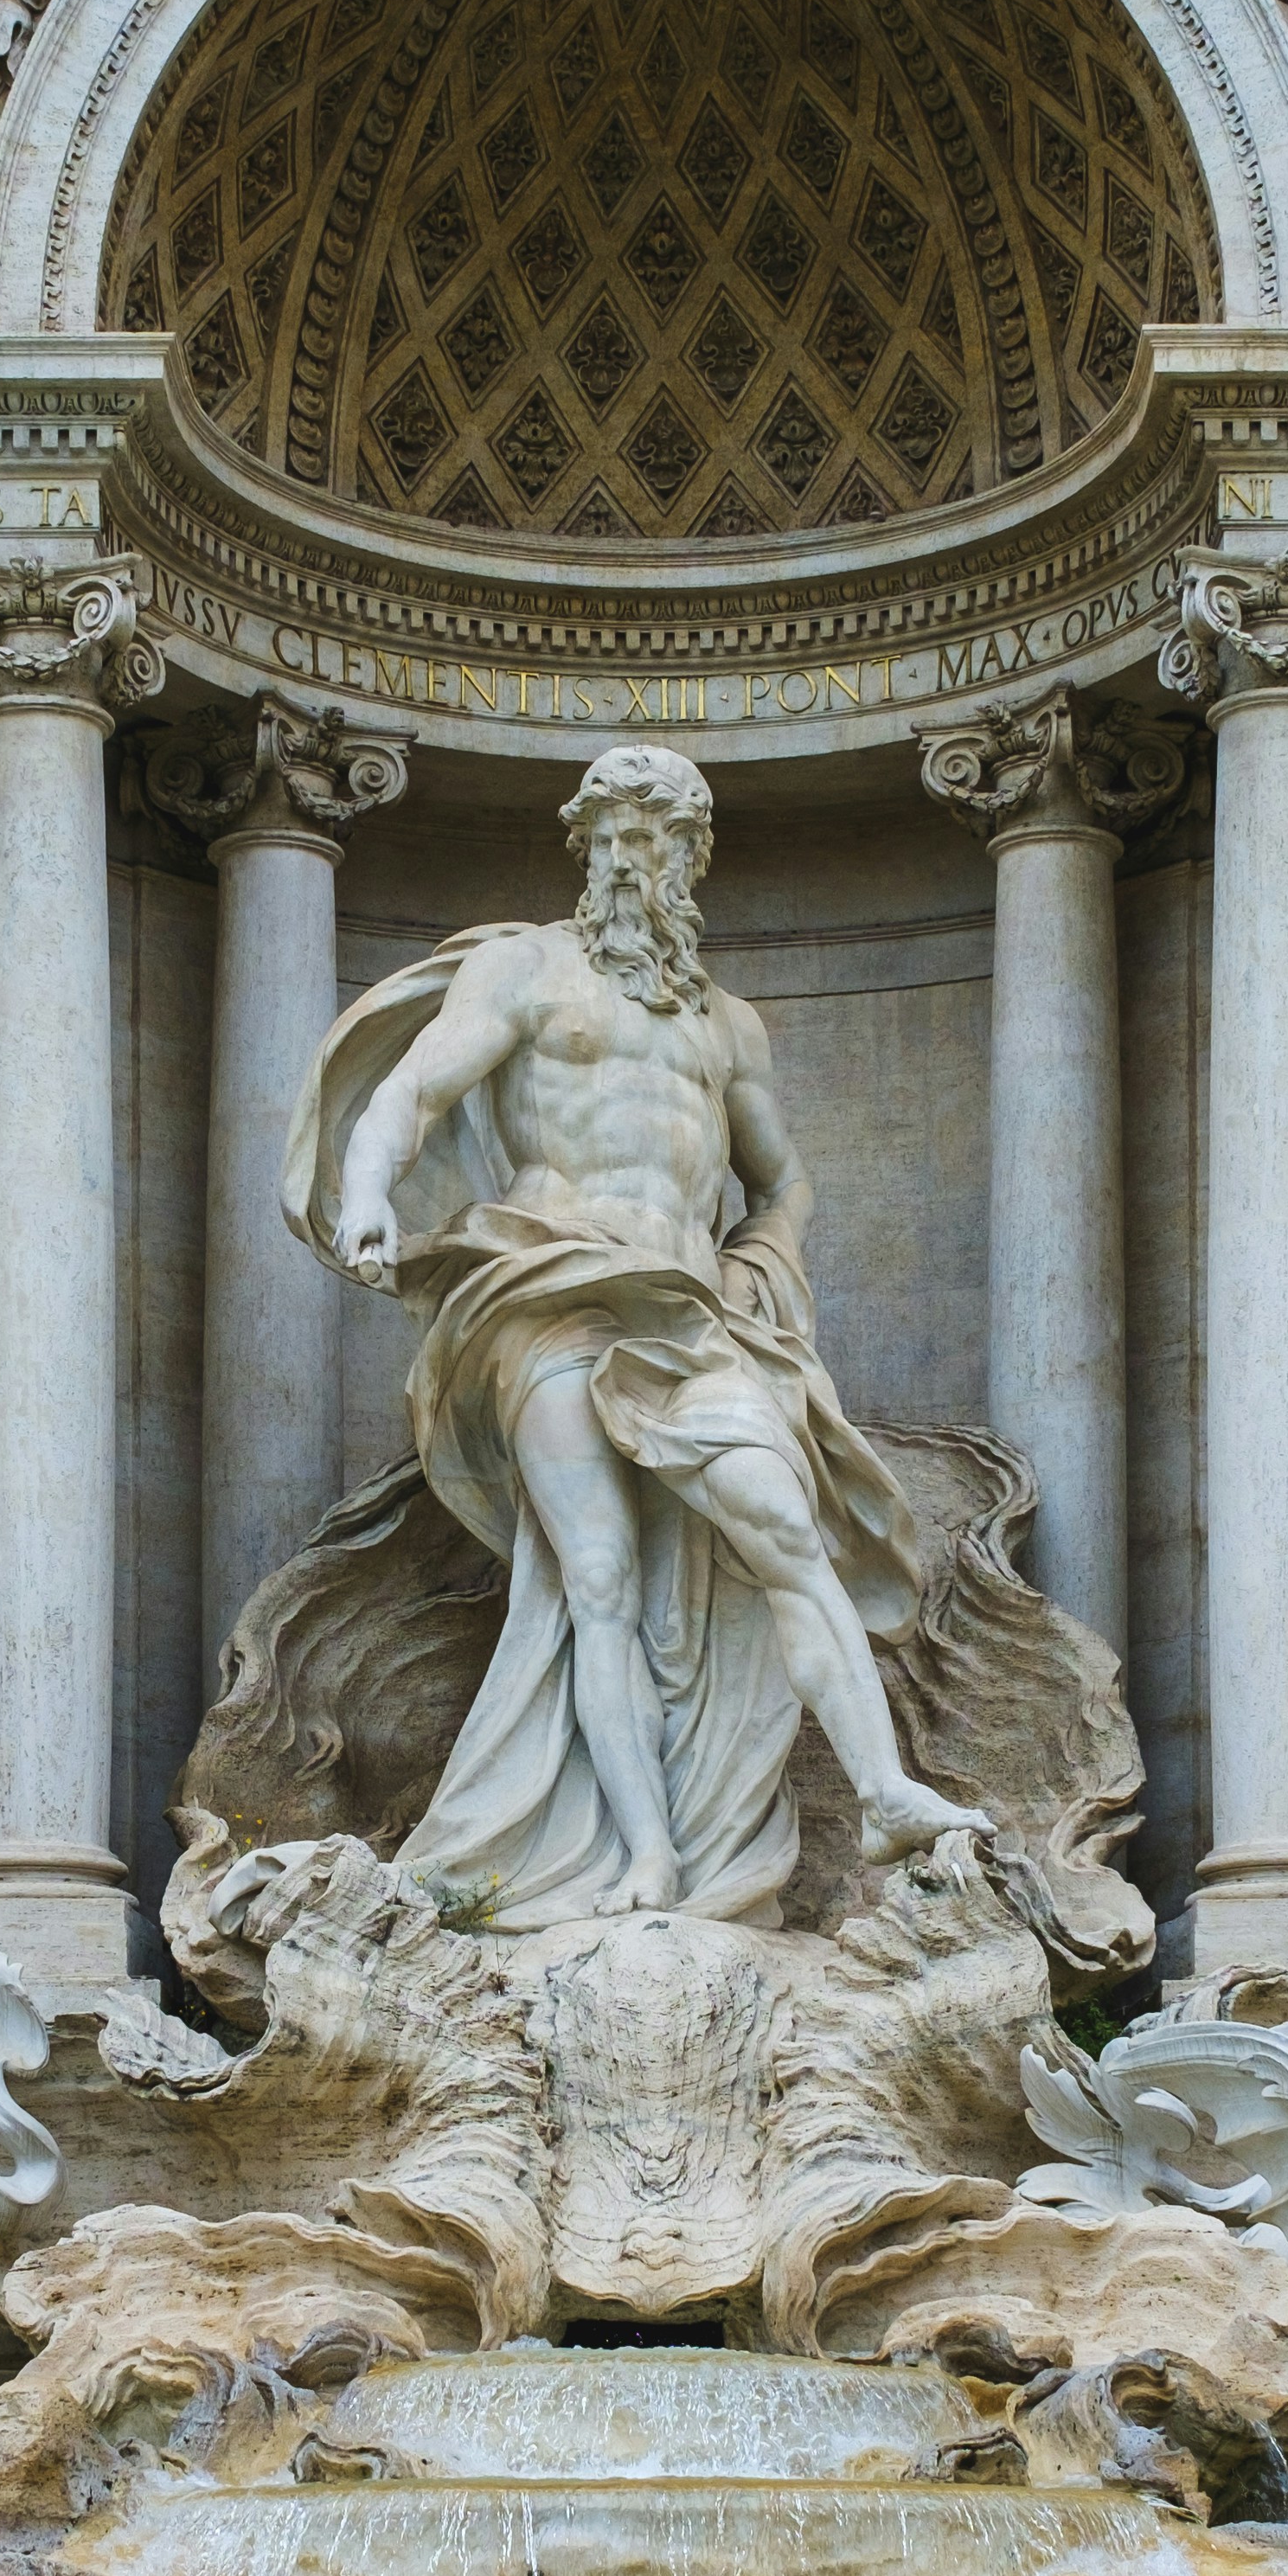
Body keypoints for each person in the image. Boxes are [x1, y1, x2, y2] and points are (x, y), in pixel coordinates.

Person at [291, 743, 988, 1928]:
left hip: (687, 1311)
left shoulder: (727, 1026)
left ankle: (885, 1791)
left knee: (785, 1527)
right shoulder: (525, 969)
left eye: (652, 839)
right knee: (594, 1577)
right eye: (610, 836)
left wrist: (765, 1261)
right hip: (548, 1291)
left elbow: (784, 1181)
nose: (628, 859)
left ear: (689, 860)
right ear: (585, 847)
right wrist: (365, 1194)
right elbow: (410, 1097)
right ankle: (648, 1861)